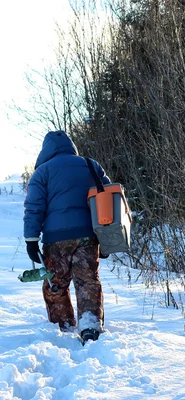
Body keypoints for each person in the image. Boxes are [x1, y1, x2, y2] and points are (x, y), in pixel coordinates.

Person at [23, 130, 111, 343]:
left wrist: (31, 240)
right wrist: (108, 234)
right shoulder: (91, 165)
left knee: (56, 282)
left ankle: (62, 326)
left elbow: (34, 208)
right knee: (88, 280)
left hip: (56, 239)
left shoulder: (42, 172)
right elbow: (109, 196)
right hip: (88, 235)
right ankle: (90, 326)